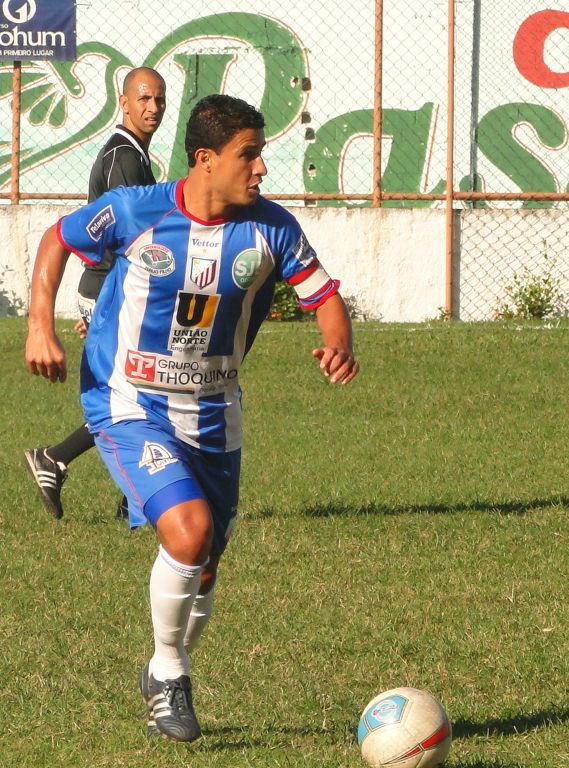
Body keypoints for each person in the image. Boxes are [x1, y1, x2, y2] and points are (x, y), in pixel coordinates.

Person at [24, 93, 359, 741]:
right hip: (128, 401)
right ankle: (171, 674)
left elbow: (323, 295)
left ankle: (164, 668)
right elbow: (56, 239)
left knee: (205, 562)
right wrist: (40, 325)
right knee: (187, 530)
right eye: (250, 155)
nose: (261, 169)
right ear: (206, 159)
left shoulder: (272, 228)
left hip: (214, 411)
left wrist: (338, 342)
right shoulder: (136, 210)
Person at [23, 66, 167, 520]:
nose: (153, 108)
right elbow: (131, 234)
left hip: (111, 289)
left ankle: (131, 495)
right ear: (123, 103)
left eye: (160, 100)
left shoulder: (133, 154)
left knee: (144, 389)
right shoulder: (123, 157)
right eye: (143, 99)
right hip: (112, 289)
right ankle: (58, 460)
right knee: (134, 394)